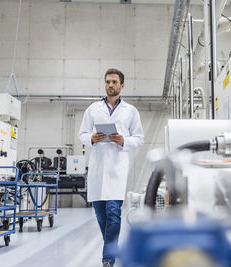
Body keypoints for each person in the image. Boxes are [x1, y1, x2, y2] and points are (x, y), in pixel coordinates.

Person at [78, 68, 144, 267]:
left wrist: (124, 140)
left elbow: (139, 138)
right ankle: (112, 248)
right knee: (101, 215)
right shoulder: (93, 109)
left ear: (122, 86)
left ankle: (108, 258)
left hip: (117, 168)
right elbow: (82, 134)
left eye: (114, 82)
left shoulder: (130, 111)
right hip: (97, 169)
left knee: (113, 214)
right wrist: (91, 138)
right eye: (107, 82)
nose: (110, 85)